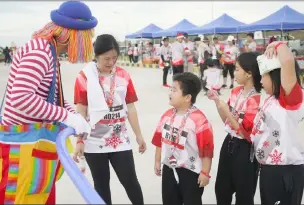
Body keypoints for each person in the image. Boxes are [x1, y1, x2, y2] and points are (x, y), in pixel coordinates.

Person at [0, 1, 95, 204]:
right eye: (87, 37)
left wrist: (74, 115)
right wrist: (67, 116)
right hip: (19, 149)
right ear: (74, 35)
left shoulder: (48, 51)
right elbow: (21, 97)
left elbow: (52, 96)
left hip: (30, 147)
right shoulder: (40, 52)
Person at [73, 34, 146, 205]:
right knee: (101, 185)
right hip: (93, 140)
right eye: (106, 58)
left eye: (114, 58)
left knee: (130, 181)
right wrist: (79, 140)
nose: (111, 62)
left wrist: (139, 135)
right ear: (96, 56)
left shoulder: (123, 75)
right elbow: (81, 110)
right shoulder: (84, 77)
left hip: (119, 139)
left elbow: (130, 107)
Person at [252, 41, 304, 205]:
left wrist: (277, 44)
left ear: (276, 75)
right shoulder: (270, 99)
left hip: (284, 171)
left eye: (263, 76)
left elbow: (288, 61)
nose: (260, 81)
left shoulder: (288, 100)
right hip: (268, 169)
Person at [207, 52, 262, 205]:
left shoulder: (256, 100)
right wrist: (217, 102)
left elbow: (246, 134)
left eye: (237, 69)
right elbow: (226, 120)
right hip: (229, 143)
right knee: (221, 189)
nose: (234, 72)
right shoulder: (236, 92)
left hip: (245, 150)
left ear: (249, 73)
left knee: (244, 194)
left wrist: (227, 110)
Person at [152, 72, 214, 205]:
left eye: (174, 90)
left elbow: (206, 150)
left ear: (187, 97)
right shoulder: (166, 116)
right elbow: (159, 140)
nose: (170, 92)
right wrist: (157, 161)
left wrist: (205, 172)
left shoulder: (199, 120)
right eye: (170, 89)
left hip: (190, 172)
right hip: (169, 168)